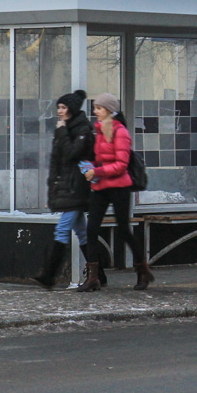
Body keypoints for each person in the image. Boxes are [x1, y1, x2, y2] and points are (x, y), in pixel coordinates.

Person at [77, 93, 155, 291]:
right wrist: (89, 166)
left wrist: (97, 170)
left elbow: (121, 165)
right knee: (91, 229)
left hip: (120, 187)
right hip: (100, 187)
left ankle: (142, 271)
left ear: (109, 111)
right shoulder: (100, 131)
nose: (95, 112)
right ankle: (93, 278)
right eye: (95, 108)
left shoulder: (121, 132)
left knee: (123, 230)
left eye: (99, 109)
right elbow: (101, 159)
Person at [34, 90, 100, 289]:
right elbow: (56, 161)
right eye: (59, 108)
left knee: (62, 230)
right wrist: (52, 189)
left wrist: (62, 132)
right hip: (67, 187)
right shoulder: (65, 129)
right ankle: (98, 275)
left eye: (63, 108)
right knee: (82, 232)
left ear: (71, 109)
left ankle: (49, 275)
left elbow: (72, 153)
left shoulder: (82, 130)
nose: (60, 111)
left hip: (77, 188)